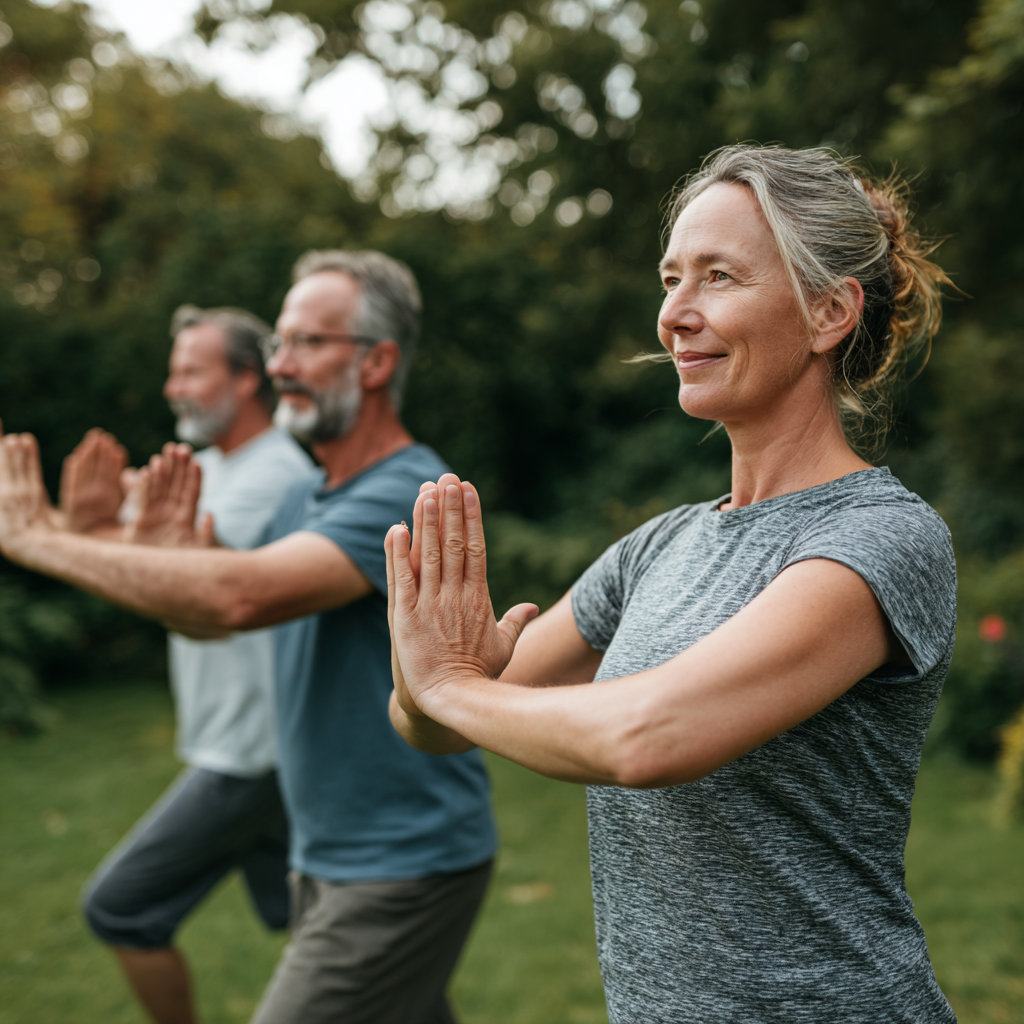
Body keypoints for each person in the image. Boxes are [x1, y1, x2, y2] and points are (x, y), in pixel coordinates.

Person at [384, 146, 958, 1022]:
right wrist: (428, 677)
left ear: (828, 312)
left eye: (719, 277)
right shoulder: (659, 548)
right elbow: (436, 732)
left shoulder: (883, 539)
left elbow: (646, 737)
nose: (675, 315)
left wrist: (453, 686)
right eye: (670, 279)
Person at [0, 250, 497, 1024]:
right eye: (278, 344)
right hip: (327, 849)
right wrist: (158, 559)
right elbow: (206, 610)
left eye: (307, 344)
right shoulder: (308, 495)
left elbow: (239, 598)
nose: (280, 366)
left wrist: (40, 540)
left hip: (401, 859)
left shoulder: (406, 491)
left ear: (376, 363)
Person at [64, 306, 315, 1024]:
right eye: (172, 370)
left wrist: (95, 536)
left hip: (250, 752)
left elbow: (194, 592)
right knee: (332, 932)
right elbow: (110, 541)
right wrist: (81, 524)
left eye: (191, 370)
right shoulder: (199, 468)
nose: (174, 386)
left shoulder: (275, 476)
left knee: (121, 908)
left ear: (247, 380)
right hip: (247, 743)